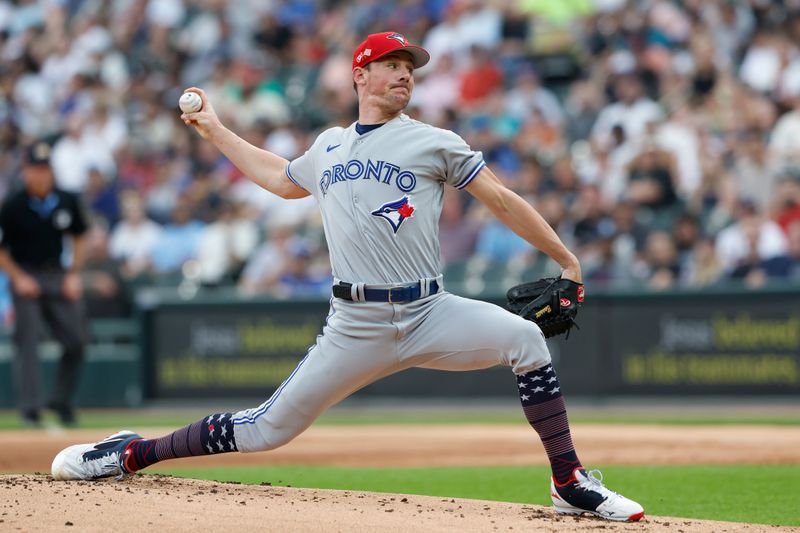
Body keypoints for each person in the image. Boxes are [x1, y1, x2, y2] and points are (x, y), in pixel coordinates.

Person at [51, 32, 644, 522]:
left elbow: (502, 199)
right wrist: (214, 129)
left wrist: (566, 259)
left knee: (527, 339)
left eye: (409, 67)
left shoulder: (434, 141)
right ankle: (129, 452)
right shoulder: (330, 146)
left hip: (429, 312)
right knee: (267, 430)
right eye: (390, 65)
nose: (404, 75)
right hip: (355, 323)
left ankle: (568, 481)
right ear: (360, 75)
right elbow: (282, 179)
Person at [0, 141, 89, 426]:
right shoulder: (13, 204)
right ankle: (30, 407)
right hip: (26, 274)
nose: (40, 174)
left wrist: (74, 273)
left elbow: (79, 236)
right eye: (35, 168)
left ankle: (60, 401)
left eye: (45, 168)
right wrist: (18, 277)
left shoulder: (66, 199)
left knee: (76, 340)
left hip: (57, 274)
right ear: (25, 171)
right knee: (27, 340)